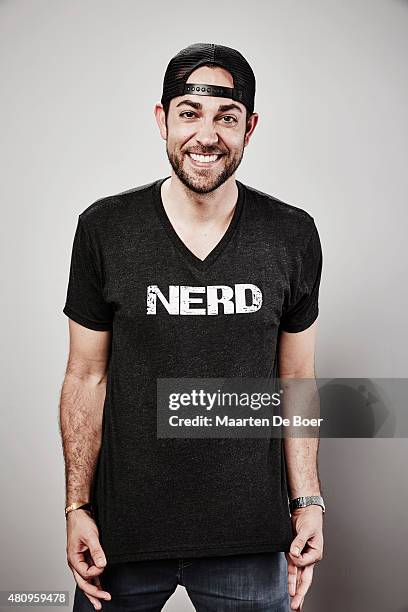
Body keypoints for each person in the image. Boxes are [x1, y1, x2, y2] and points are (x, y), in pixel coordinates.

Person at [59, 42, 325, 612]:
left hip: (250, 538)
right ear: (162, 119)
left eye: (226, 117)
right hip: (122, 537)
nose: (207, 135)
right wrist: (77, 507)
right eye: (189, 113)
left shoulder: (291, 234)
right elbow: (85, 377)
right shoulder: (105, 228)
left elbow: (296, 380)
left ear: (249, 128)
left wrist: (308, 502)